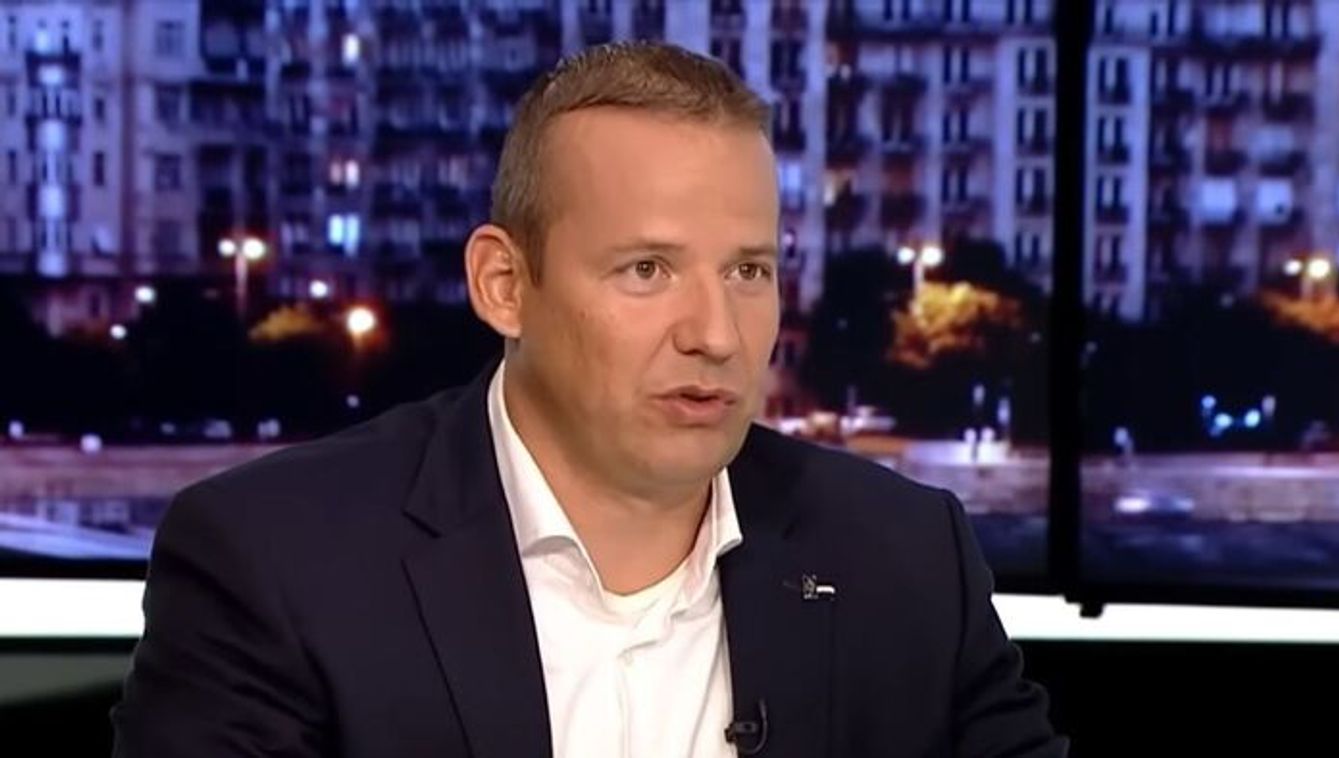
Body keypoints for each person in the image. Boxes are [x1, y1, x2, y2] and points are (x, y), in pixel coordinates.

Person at [111, 41, 1067, 757]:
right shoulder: (274, 564)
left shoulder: (905, 559)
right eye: (646, 268)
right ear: (503, 285)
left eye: (748, 270)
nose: (716, 333)